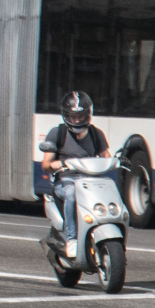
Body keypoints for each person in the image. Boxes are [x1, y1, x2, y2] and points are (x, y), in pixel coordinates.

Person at [37, 89, 111, 255]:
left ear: (88, 115)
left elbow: (106, 156)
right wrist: (58, 164)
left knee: (110, 189)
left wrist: (116, 162)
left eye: (81, 116)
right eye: (72, 116)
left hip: (90, 181)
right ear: (66, 116)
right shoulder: (58, 133)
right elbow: (46, 164)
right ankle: (72, 239)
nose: (77, 120)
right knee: (71, 192)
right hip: (65, 181)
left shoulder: (96, 133)